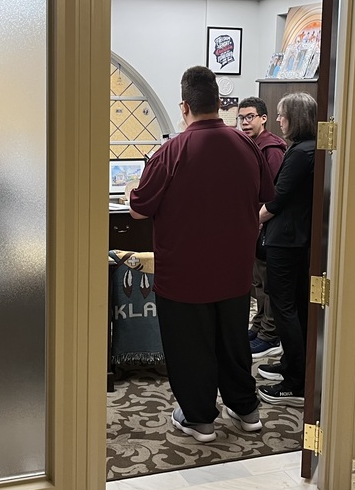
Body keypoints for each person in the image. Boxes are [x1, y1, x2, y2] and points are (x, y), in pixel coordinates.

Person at [129, 66, 275, 442]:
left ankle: (199, 418)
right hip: (234, 271)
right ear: (220, 104)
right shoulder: (247, 146)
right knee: (233, 342)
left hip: (185, 274)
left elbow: (139, 208)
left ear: (184, 106)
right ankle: (246, 410)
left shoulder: (172, 151)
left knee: (190, 348)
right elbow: (266, 195)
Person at [257, 92, 317, 407]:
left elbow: (277, 200)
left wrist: (253, 220)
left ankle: (296, 382)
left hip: (286, 241)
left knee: (284, 307)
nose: (279, 120)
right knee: (294, 305)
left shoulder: (300, 153)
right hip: (297, 240)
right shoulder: (306, 149)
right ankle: (293, 366)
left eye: (282, 114)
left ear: (295, 116)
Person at [237, 97, 287, 359]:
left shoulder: (271, 149)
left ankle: (269, 333)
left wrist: (257, 220)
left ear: (263, 118)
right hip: (252, 224)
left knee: (267, 282)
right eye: (241, 118)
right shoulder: (251, 145)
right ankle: (258, 327)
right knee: (257, 282)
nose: (245, 122)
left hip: (265, 224)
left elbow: (273, 193)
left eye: (250, 117)